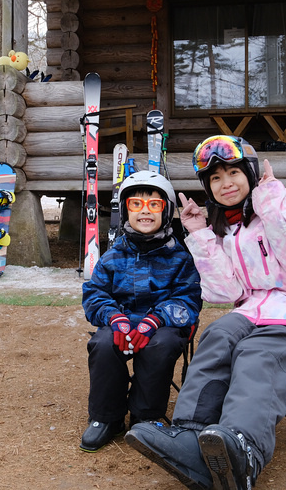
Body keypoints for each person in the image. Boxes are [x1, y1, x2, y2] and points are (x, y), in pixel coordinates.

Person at [125, 135, 286, 490]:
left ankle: (244, 449)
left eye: (233, 173)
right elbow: (227, 292)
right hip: (253, 311)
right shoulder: (228, 228)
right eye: (216, 178)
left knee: (256, 352)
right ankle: (191, 436)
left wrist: (269, 206)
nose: (226, 184)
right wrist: (200, 235)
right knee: (217, 337)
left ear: (251, 174)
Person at [80, 170, 203, 452]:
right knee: (102, 343)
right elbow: (95, 294)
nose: (144, 211)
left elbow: (189, 298)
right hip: (122, 323)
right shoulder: (113, 256)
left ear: (167, 210)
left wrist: (156, 319)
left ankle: (145, 416)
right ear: (125, 211)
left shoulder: (181, 258)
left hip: (163, 327)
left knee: (159, 346)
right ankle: (106, 417)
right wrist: (115, 318)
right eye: (136, 204)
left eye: (154, 205)